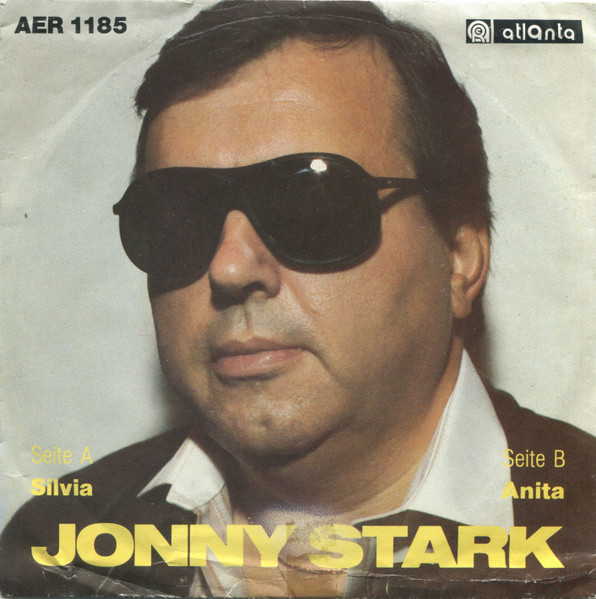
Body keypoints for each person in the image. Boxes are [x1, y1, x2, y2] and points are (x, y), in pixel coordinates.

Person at [1, 1, 594, 597]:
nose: (230, 268)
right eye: (178, 215)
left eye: (314, 205)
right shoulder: (47, 550)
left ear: (460, 259)